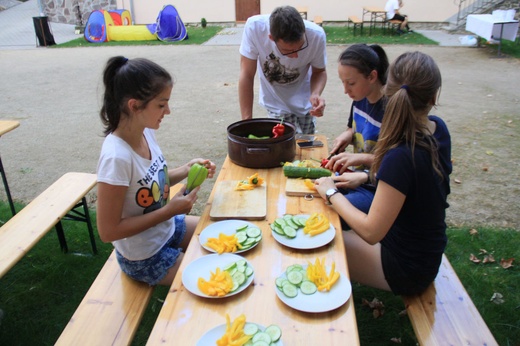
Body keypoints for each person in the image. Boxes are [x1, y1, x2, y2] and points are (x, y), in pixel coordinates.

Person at [314, 51, 452, 296]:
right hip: (425, 251)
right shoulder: (438, 129)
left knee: (318, 240)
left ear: (390, 89)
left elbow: (370, 231)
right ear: (433, 96)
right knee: (331, 226)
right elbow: (415, 183)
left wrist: (331, 192)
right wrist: (366, 176)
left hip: (408, 267)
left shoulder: (400, 154)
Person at [96, 56, 216, 286]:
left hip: (166, 230)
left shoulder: (144, 131)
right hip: (145, 257)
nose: (167, 111)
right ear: (134, 106)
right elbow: (108, 231)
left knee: (220, 236)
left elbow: (147, 184)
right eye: (161, 105)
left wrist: (187, 169)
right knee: (211, 278)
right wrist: (169, 210)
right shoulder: (116, 157)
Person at [239, 5, 327, 134]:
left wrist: (315, 93)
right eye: (287, 50)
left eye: (300, 47)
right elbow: (246, 74)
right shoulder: (255, 29)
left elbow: (320, 71)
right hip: (275, 101)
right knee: (286, 143)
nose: (295, 55)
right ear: (271, 38)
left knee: (307, 143)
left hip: (305, 101)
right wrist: (247, 121)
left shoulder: (316, 35)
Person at [324, 44, 389, 215]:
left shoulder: (391, 110)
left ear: (372, 76)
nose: (346, 90)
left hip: (377, 187)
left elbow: (395, 162)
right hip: (354, 177)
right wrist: (347, 135)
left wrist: (360, 158)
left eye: (351, 83)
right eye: (343, 82)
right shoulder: (361, 97)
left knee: (330, 208)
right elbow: (353, 127)